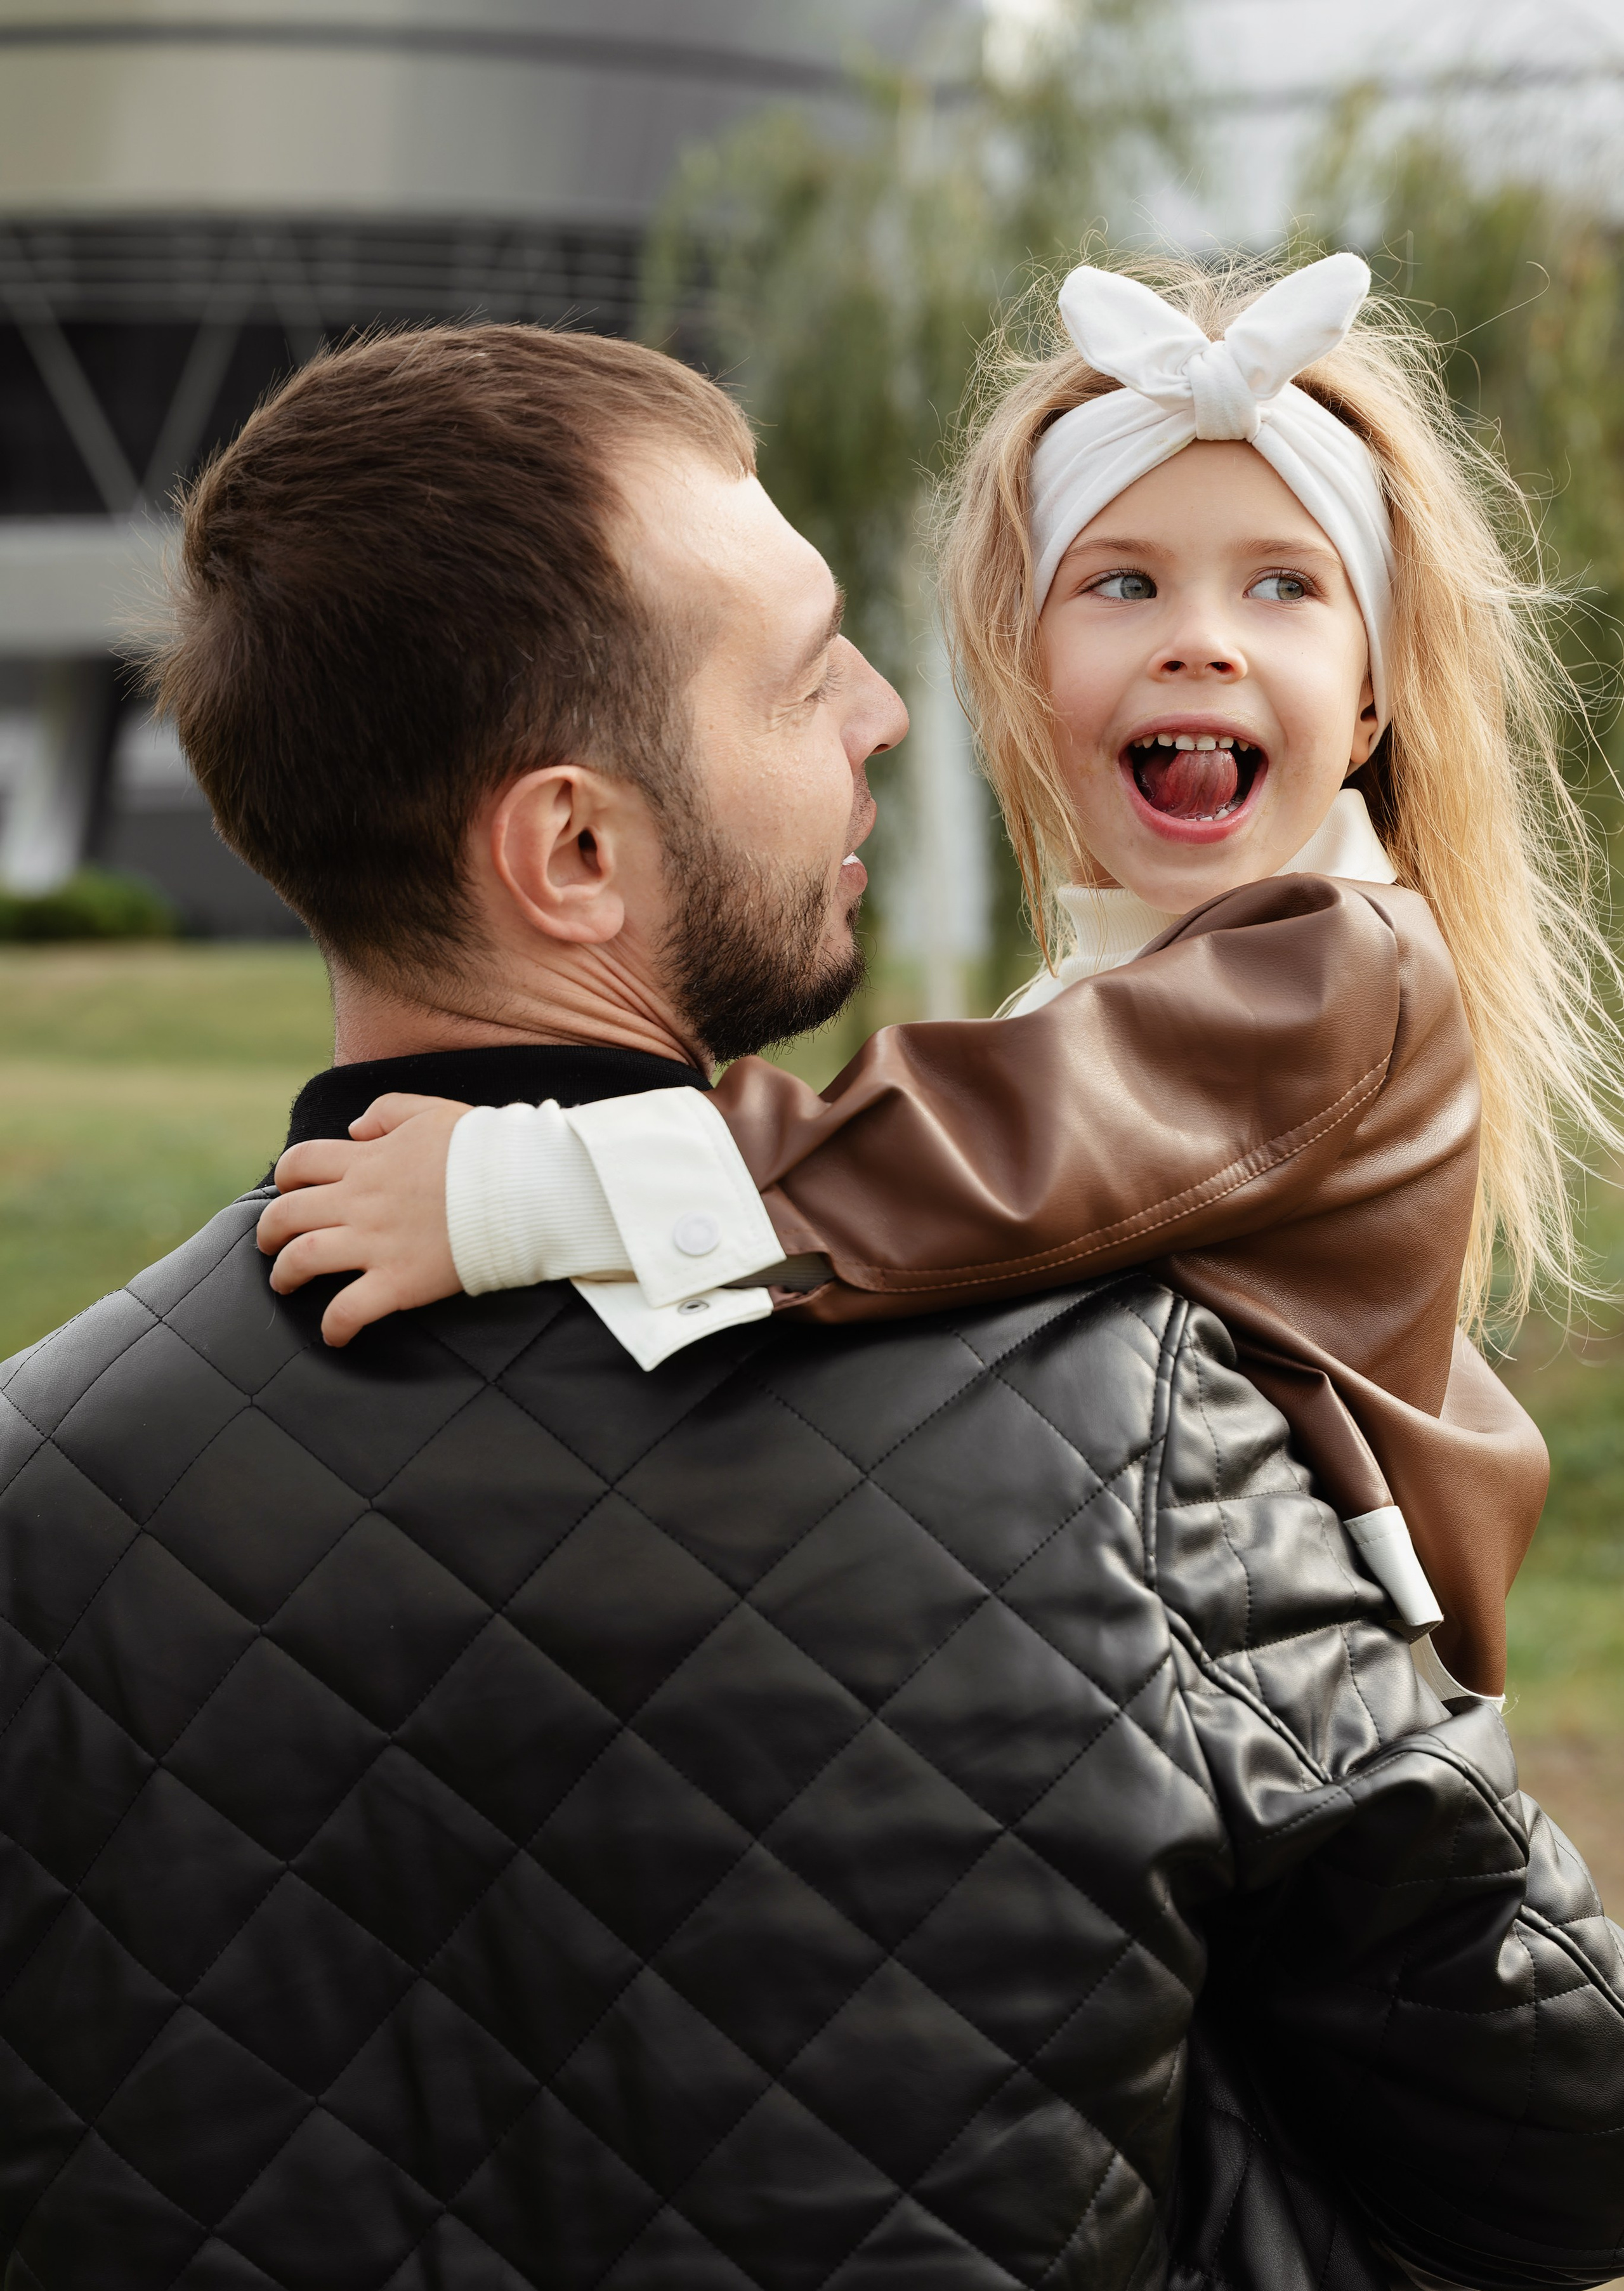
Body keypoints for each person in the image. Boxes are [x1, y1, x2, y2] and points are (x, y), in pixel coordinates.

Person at [1, 322, 1620, 2291]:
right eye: (803, 673)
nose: (884, 717)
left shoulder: (35, 1488)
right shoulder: (1142, 1434)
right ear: (574, 854)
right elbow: (1556, 2129)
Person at [262, 253, 1624, 1704]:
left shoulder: (1331, 967)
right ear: (1025, 671)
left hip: (1305, 1694)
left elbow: (972, 1154)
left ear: (1367, 705)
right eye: (1119, 581)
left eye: (1285, 586)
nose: (1199, 638)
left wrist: (517, 1190)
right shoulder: (1148, 977)